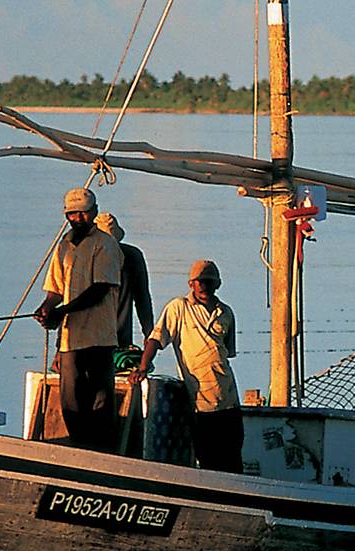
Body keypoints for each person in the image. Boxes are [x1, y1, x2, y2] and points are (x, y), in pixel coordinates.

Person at [34, 187, 124, 452]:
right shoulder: (63, 246)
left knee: (100, 401)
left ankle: (103, 453)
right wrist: (47, 308)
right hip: (71, 338)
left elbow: (99, 289)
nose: (78, 219)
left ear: (93, 213)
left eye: (83, 214)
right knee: (71, 402)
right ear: (67, 216)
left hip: (99, 336)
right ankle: (80, 450)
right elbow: (55, 290)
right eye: (73, 214)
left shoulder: (105, 244)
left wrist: (61, 312)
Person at [131, 260, 242, 473]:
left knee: (233, 457)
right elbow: (156, 338)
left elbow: (227, 352)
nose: (204, 286)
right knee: (209, 458)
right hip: (201, 401)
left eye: (209, 282)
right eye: (199, 282)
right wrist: (143, 367)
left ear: (217, 284)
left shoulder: (225, 313)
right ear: (191, 284)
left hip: (229, 397)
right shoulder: (178, 308)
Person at [95, 213, 154, 351]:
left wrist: (150, 335)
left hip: (116, 340)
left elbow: (142, 299)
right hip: (91, 339)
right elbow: (143, 299)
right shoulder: (84, 258)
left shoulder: (132, 256)